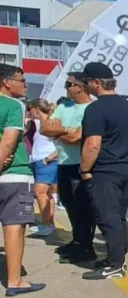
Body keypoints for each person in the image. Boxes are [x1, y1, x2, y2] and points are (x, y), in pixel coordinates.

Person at [77, 62, 128, 280]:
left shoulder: (96, 108)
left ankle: (115, 265)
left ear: (97, 83)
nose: (85, 86)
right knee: (118, 218)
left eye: (87, 82)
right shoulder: (126, 105)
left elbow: (93, 144)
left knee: (107, 217)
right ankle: (116, 256)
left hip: (105, 171)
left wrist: (84, 170)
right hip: (125, 169)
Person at [0, 64, 45, 296]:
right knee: (14, 226)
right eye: (21, 79)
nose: (25, 84)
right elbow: (8, 142)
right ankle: (15, 280)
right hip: (13, 175)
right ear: (7, 82)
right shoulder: (13, 105)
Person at [40, 72, 94, 263]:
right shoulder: (64, 106)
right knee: (69, 205)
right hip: (63, 163)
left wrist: (59, 131)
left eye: (68, 84)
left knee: (83, 208)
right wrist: (66, 131)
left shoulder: (91, 108)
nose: (66, 87)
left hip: (81, 165)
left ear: (80, 86)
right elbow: (44, 128)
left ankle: (86, 246)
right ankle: (77, 240)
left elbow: (76, 138)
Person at [26, 99, 59, 237]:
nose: (29, 111)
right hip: (38, 160)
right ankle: (49, 223)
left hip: (47, 161)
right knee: (46, 194)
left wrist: (49, 158)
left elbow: (61, 144)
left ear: (36, 108)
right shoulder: (39, 124)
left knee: (40, 192)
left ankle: (46, 225)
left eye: (30, 109)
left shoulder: (51, 123)